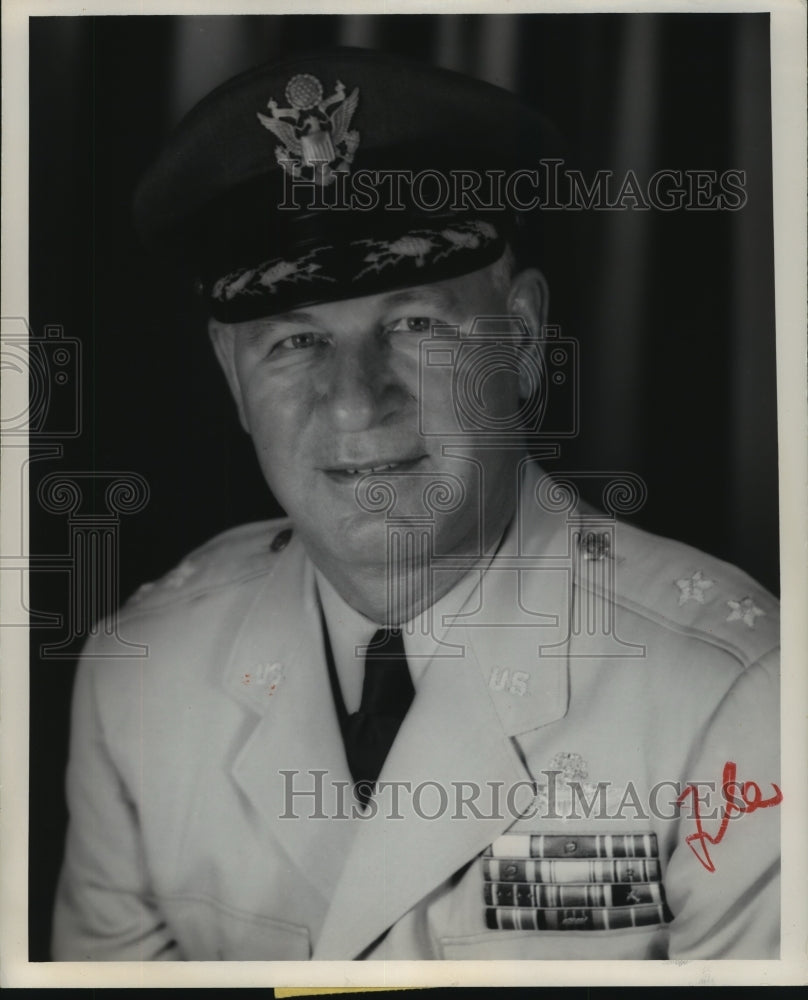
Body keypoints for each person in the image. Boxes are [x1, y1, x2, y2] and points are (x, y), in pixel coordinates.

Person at [52, 47, 780, 962]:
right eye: (295, 342)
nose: (356, 401)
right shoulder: (140, 676)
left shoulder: (737, 699)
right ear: (230, 378)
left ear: (519, 340)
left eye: (414, 324)